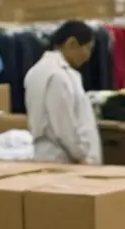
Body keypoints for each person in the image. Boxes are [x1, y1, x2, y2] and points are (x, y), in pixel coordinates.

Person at [24, 20, 102, 165]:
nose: (88, 56)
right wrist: (81, 156)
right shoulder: (57, 75)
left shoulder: (37, 71)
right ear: (71, 43)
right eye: (88, 48)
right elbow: (64, 126)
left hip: (52, 156)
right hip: (64, 160)